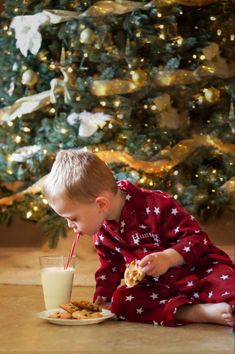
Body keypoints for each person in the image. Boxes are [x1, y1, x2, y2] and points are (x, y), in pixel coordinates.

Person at [43, 149, 235, 328]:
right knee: (122, 303)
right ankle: (196, 312)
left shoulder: (158, 205)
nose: (70, 225)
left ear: (101, 204)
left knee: (227, 283)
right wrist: (103, 297)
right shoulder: (102, 231)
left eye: (73, 218)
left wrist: (168, 258)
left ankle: (224, 306)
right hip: (158, 286)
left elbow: (196, 239)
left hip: (199, 270)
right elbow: (110, 267)